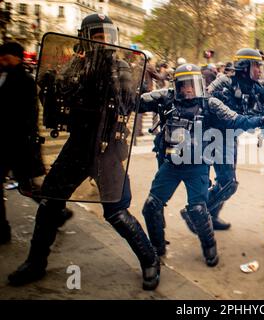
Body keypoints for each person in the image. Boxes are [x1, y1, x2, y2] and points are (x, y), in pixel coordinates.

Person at [7, 13, 160, 291]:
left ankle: (150, 259)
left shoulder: (120, 66)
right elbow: (60, 99)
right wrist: (51, 85)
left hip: (107, 148)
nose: (104, 42)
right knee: (50, 203)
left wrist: (112, 85)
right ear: (86, 38)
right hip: (78, 146)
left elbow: (127, 102)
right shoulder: (76, 66)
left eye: (107, 37)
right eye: (98, 36)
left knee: (116, 211)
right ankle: (36, 261)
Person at [139, 63, 264, 266]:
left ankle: (209, 247)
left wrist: (262, 119)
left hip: (197, 166)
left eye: (192, 85)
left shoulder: (210, 104)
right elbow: (137, 103)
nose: (188, 90)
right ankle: (157, 247)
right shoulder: (166, 97)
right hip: (170, 165)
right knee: (151, 206)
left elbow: (236, 120)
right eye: (183, 85)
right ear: (176, 86)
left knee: (198, 210)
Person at [0, 42, 73, 245]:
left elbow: (29, 116)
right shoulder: (8, 76)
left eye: (5, 57)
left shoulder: (23, 80)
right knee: (26, 185)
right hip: (8, 143)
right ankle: (57, 213)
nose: (2, 61)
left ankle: (57, 212)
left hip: (16, 143)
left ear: (15, 57)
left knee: (27, 185)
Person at [199, 48, 264, 231]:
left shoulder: (255, 87)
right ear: (244, 66)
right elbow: (205, 100)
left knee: (226, 182)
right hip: (214, 135)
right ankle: (197, 214)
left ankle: (211, 216)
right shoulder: (224, 82)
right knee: (228, 183)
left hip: (231, 137)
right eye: (256, 65)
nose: (259, 70)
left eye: (260, 66)